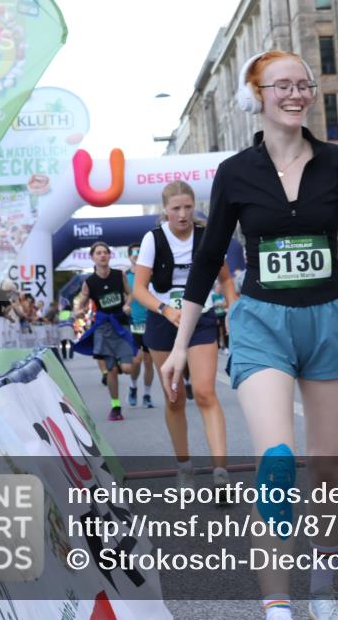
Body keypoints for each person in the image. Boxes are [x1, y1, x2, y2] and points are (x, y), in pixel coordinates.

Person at [159, 50, 338, 620]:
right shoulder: (235, 172)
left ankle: (324, 585)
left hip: (329, 322)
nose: (296, 94)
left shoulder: (335, 161)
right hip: (262, 322)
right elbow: (208, 259)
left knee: (326, 467)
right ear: (257, 95)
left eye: (303, 85)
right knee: (277, 464)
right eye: (282, 85)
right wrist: (181, 345)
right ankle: (277, 603)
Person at [131, 181, 238, 496]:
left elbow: (225, 279)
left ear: (195, 207)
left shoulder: (206, 236)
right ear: (165, 210)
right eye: (176, 208)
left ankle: (220, 473)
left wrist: (234, 307)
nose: (182, 214)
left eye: (188, 207)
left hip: (201, 318)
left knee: (205, 392)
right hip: (163, 320)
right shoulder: (153, 239)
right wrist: (165, 309)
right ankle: (184, 467)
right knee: (174, 398)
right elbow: (139, 289)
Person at [73, 241, 137, 421]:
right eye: (98, 253)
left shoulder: (119, 275)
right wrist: (78, 311)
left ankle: (120, 365)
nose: (102, 255)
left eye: (105, 252)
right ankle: (115, 406)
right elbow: (82, 304)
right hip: (103, 327)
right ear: (93, 258)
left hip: (120, 324)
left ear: (109, 256)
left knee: (127, 368)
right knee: (112, 370)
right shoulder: (89, 283)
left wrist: (127, 304)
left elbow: (131, 293)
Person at [125, 242, 155, 408]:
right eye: (134, 253)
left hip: (151, 321)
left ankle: (147, 395)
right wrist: (125, 307)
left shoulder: (151, 274)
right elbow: (124, 297)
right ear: (129, 256)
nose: (137, 256)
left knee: (149, 361)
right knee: (136, 360)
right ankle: (133, 386)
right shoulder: (125, 276)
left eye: (140, 253)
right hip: (134, 322)